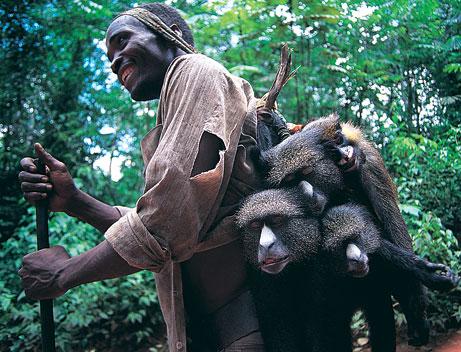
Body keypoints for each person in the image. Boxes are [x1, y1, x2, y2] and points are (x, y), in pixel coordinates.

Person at [17, 3, 266, 351]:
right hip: (209, 332)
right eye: (109, 56)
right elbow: (154, 224)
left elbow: (164, 223)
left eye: (123, 40)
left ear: (173, 34)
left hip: (251, 324)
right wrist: (74, 201)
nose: (115, 60)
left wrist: (64, 274)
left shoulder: (196, 70)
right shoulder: (172, 118)